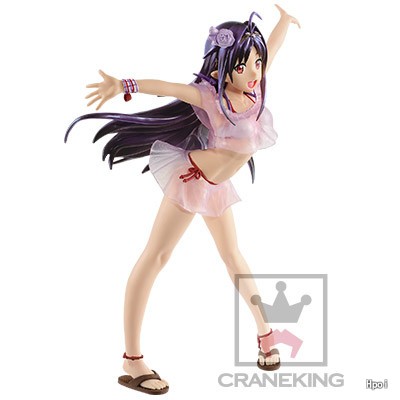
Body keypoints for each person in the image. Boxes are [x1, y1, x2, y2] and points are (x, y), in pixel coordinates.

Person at [65, 4, 300, 395]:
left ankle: (266, 335)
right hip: (192, 177)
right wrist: (123, 84)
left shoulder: (253, 89)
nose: (255, 71)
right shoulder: (209, 95)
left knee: (233, 256)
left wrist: (283, 22)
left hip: (216, 185)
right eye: (244, 65)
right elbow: (168, 87)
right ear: (222, 68)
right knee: (157, 255)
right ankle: (132, 359)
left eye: (257, 63)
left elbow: (271, 50)